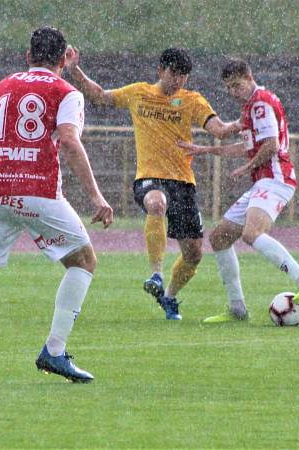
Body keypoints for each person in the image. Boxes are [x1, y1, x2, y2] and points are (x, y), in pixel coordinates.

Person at [0, 27, 113, 384]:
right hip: (38, 190)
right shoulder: (66, 92)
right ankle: (55, 351)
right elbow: (69, 141)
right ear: (63, 60)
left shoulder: (1, 87)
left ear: (28, 56)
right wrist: (96, 196)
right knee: (83, 261)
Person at [65, 46, 240, 320]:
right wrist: (74, 70)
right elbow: (99, 96)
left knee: (194, 254)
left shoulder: (192, 100)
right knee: (156, 203)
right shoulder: (139, 93)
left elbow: (219, 130)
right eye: (174, 74)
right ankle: (156, 274)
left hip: (183, 182)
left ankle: (168, 295)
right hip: (149, 178)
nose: (178, 81)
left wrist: (244, 122)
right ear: (160, 70)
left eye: (183, 76)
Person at [177, 59, 299, 323]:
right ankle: (237, 308)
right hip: (264, 180)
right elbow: (247, 146)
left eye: (237, 85)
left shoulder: (259, 104)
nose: (233, 92)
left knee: (251, 233)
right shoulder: (251, 106)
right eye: (229, 88)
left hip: (276, 178)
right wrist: (206, 150)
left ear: (249, 76)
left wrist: (246, 167)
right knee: (221, 237)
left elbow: (270, 145)